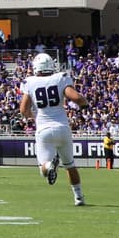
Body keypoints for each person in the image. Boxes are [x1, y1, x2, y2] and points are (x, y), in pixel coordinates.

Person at [19, 52, 87, 206]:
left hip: (43, 129)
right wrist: (84, 105)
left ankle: (50, 165)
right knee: (70, 165)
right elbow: (76, 98)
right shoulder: (60, 78)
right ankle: (79, 197)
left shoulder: (30, 82)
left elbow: (23, 109)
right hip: (62, 127)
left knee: (43, 169)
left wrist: (34, 118)